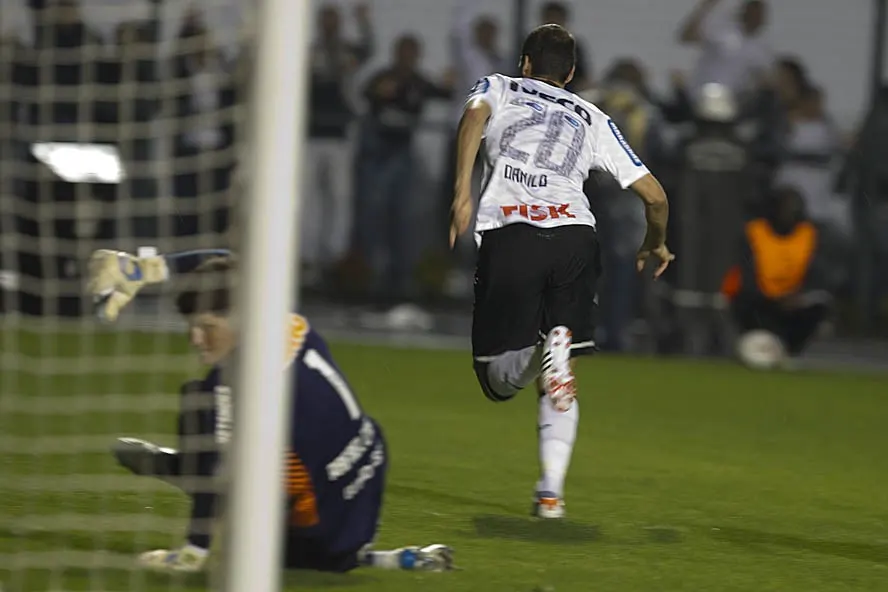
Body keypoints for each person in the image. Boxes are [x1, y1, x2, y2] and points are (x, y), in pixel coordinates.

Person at [86, 249, 453, 574]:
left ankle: (172, 467)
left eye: (207, 327)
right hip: (366, 486)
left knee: (199, 407)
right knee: (263, 447)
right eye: (192, 327)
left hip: (318, 533)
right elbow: (228, 263)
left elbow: (217, 476)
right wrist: (146, 270)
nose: (195, 338)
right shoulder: (288, 322)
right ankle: (375, 557)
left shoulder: (231, 386)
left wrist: (193, 551)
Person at [448, 24, 674, 519]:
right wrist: (654, 243)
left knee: (496, 380)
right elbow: (655, 195)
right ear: (570, 74)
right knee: (561, 371)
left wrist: (462, 191)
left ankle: (539, 353)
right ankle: (550, 491)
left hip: (512, 235)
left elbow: (472, 120)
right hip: (575, 239)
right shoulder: (593, 116)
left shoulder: (499, 86)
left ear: (526, 63)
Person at [721, 186, 831, 361]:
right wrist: (771, 298)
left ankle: (789, 350)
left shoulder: (809, 234)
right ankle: (756, 342)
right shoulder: (755, 232)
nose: (788, 213)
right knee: (741, 296)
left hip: (794, 301)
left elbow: (817, 274)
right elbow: (746, 273)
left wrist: (798, 296)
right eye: (785, 207)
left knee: (819, 303)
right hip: (760, 301)